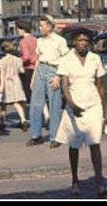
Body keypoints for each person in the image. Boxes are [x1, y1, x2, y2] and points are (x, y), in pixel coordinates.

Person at [55, 28, 107, 198]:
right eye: (80, 40)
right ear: (74, 42)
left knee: (95, 144)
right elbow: (64, 86)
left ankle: (99, 182)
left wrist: (105, 111)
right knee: (74, 146)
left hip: (93, 106)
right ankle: (75, 181)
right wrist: (72, 104)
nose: (83, 43)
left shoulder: (95, 59)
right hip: (74, 108)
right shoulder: (66, 60)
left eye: (86, 40)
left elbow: (100, 87)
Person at [26, 14, 69, 148]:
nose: (40, 28)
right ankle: (36, 135)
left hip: (53, 70)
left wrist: (58, 76)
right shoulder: (40, 41)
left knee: (54, 104)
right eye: (40, 25)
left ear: (50, 26)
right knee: (35, 104)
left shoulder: (60, 41)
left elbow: (65, 59)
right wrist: (34, 77)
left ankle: (55, 136)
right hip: (41, 70)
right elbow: (38, 59)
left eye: (42, 25)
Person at [0, 39, 29, 131]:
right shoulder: (18, 60)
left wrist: (1, 88)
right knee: (18, 101)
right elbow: (21, 71)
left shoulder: (1, 61)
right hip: (16, 81)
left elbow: (2, 75)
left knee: (4, 103)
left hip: (7, 82)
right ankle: (23, 119)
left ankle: (2, 121)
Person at [16, 20, 38, 103]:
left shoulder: (23, 41)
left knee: (27, 92)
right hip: (36, 67)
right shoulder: (35, 39)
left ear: (22, 29)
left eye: (18, 29)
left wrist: (19, 60)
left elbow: (26, 56)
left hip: (28, 68)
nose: (17, 31)